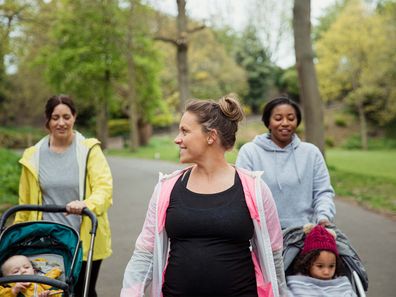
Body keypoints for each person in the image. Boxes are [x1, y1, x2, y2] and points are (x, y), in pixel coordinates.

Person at [121, 95, 286, 297]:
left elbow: (274, 255)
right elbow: (145, 254)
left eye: (185, 131)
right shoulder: (167, 188)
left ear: (211, 136)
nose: (177, 139)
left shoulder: (255, 189)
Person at [15, 95, 113, 297]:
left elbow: (104, 189)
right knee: (48, 291)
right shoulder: (33, 156)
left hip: (84, 238)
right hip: (46, 240)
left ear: (74, 117)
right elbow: (24, 203)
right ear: (48, 121)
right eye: (55, 117)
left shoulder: (89, 150)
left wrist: (86, 204)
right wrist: (18, 240)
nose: (61, 123)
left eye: (66, 116)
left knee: (82, 291)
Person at [236, 97, 335, 229]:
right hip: (264, 234)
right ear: (268, 122)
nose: (285, 123)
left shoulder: (311, 153)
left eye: (291, 118)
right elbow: (242, 194)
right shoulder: (250, 152)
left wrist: (323, 217)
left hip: (306, 230)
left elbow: (323, 192)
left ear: (297, 121)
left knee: (343, 249)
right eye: (278, 118)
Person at [286, 225, 357, 297]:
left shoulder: (342, 285)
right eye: (320, 266)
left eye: (331, 266)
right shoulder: (297, 284)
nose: (326, 272)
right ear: (307, 263)